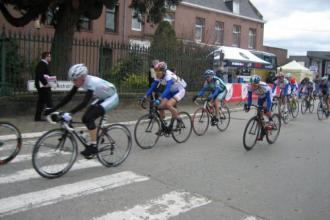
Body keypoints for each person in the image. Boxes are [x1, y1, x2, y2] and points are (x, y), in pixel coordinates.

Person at [45, 64, 119, 158]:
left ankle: (93, 146)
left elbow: (84, 103)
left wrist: (70, 113)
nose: (73, 82)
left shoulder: (91, 82)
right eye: (72, 80)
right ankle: (95, 137)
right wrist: (53, 109)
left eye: (75, 80)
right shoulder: (80, 81)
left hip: (111, 98)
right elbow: (69, 97)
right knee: (85, 118)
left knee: (89, 117)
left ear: (83, 77)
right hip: (102, 97)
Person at [143, 61, 187, 130]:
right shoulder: (159, 76)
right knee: (160, 106)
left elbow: (167, 89)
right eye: (156, 72)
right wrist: (145, 96)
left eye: (158, 72)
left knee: (169, 105)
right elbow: (152, 87)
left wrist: (159, 98)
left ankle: (179, 120)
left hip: (179, 90)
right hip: (171, 91)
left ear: (163, 71)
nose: (157, 74)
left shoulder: (168, 75)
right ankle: (163, 124)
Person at [244, 75, 274, 139]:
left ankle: (271, 121)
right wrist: (248, 106)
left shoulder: (264, 87)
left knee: (265, 109)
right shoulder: (249, 87)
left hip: (267, 96)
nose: (253, 87)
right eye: (252, 85)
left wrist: (268, 109)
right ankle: (263, 131)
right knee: (259, 114)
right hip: (260, 97)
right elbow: (249, 97)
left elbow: (268, 100)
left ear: (258, 84)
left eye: (255, 85)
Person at [34, 51, 53, 121]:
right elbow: (40, 75)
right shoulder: (42, 64)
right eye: (49, 56)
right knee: (49, 102)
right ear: (46, 57)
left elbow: (44, 75)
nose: (50, 58)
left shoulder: (44, 64)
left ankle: (37, 117)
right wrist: (46, 83)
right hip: (44, 87)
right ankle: (51, 117)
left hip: (43, 86)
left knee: (41, 102)